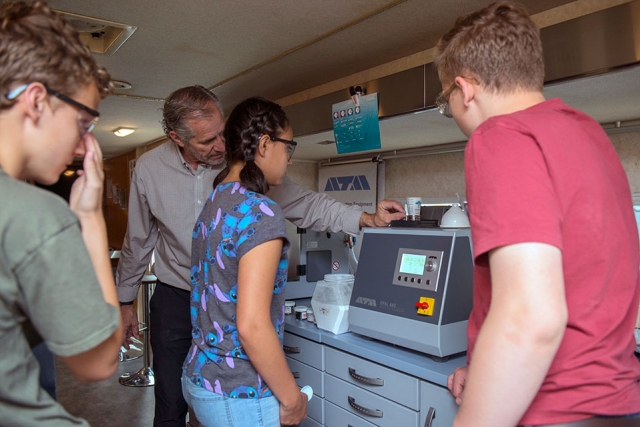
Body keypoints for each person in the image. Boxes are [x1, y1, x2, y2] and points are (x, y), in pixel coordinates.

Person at [116, 85, 405, 426]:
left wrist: (365, 219)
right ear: (177, 138)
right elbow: (139, 239)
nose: (220, 146)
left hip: (216, 342)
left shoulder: (222, 194)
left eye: (222, 134)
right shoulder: (156, 171)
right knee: (168, 406)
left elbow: (308, 203)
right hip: (189, 312)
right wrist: (292, 398)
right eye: (207, 141)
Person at [434, 2, 640, 426]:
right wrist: (488, 370)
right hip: (614, 403)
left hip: (554, 408)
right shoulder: (588, 134)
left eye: (445, 100)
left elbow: (531, 316)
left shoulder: (500, 136)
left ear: (464, 89)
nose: (450, 109)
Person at [0, 2, 122, 426]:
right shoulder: (33, 214)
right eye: (83, 124)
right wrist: (89, 216)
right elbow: (100, 361)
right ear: (36, 101)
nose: (80, 146)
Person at [183, 97, 307, 426]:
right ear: (265, 144)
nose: (289, 160)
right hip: (238, 390)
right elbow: (252, 326)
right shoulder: (260, 212)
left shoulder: (214, 202)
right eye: (288, 147)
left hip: (200, 375)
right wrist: (293, 398)